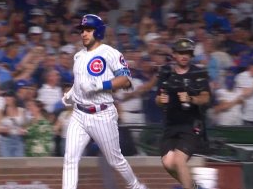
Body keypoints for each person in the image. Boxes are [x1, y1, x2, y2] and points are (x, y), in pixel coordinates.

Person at [61, 14, 148, 189]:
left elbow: (125, 80)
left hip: (102, 114)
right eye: (82, 30)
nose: (84, 34)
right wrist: (70, 94)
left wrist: (99, 85)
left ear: (98, 31)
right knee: (70, 158)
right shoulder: (78, 56)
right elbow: (80, 84)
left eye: (88, 30)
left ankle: (136, 186)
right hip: (79, 114)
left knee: (115, 160)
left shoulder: (110, 53)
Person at [155, 38, 211, 189]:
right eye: (180, 53)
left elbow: (205, 97)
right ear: (174, 55)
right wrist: (161, 99)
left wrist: (191, 98)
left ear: (191, 55)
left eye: (187, 53)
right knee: (168, 163)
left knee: (179, 160)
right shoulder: (165, 73)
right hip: (171, 125)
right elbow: (157, 100)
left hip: (192, 125)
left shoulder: (199, 72)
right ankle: (193, 187)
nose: (184, 56)